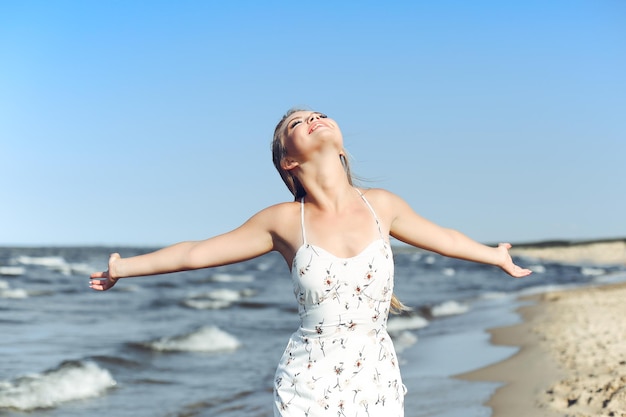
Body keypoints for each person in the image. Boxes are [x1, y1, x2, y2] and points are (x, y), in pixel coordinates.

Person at [90, 108, 532, 417]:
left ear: (340, 146)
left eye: (318, 114)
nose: (314, 119)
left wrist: (494, 256)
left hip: (375, 374)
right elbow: (195, 253)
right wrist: (123, 268)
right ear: (289, 160)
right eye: (298, 124)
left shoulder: (381, 205)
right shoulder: (284, 220)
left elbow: (445, 239)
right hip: (309, 379)